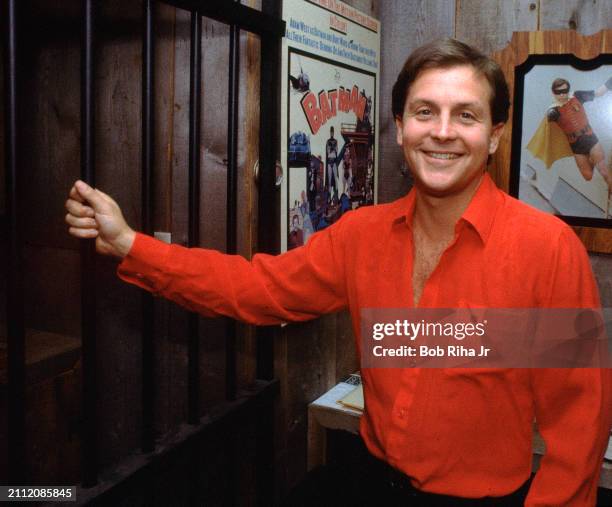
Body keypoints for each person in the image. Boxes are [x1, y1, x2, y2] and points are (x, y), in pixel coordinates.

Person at [65, 38, 611, 506]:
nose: (442, 131)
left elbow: (579, 424)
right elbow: (257, 289)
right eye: (425, 112)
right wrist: (131, 245)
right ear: (400, 128)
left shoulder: (549, 250)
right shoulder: (361, 235)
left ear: (493, 136)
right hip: (369, 482)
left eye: (465, 115)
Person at [527, 77, 612, 217]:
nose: (562, 94)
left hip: (590, 138)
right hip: (576, 145)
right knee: (588, 176)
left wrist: (609, 83)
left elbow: (598, 93)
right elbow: (546, 132)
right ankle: (595, 160)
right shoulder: (552, 111)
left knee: (603, 171)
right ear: (553, 92)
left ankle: (601, 167)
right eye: (558, 92)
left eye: (564, 91)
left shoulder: (577, 95)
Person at [325, 125, 339, 201]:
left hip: (334, 161)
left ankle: (336, 195)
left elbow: (336, 150)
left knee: (336, 179)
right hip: (329, 161)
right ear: (330, 133)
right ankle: (329, 197)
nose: (332, 133)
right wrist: (331, 148)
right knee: (329, 179)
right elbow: (328, 151)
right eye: (331, 132)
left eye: (332, 132)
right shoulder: (328, 141)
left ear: (333, 133)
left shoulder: (336, 141)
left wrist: (332, 148)